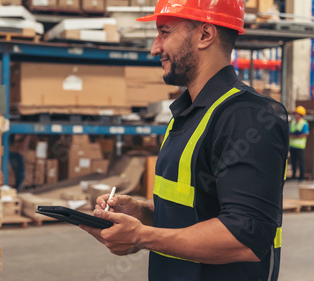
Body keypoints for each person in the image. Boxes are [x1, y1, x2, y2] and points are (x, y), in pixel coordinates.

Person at [80, 0, 289, 280]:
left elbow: (245, 238)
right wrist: (141, 213)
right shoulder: (188, 113)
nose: (156, 47)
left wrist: (142, 236)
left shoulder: (247, 117)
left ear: (205, 35)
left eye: (164, 32)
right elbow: (199, 209)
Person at [289, 105, 309, 181]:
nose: (295, 115)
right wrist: (293, 135)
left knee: (300, 162)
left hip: (300, 146)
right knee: (293, 162)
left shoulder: (304, 123)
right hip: (292, 145)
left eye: (297, 113)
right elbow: (290, 132)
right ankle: (293, 176)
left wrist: (296, 136)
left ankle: (301, 177)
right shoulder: (293, 122)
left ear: (301, 115)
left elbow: (305, 134)